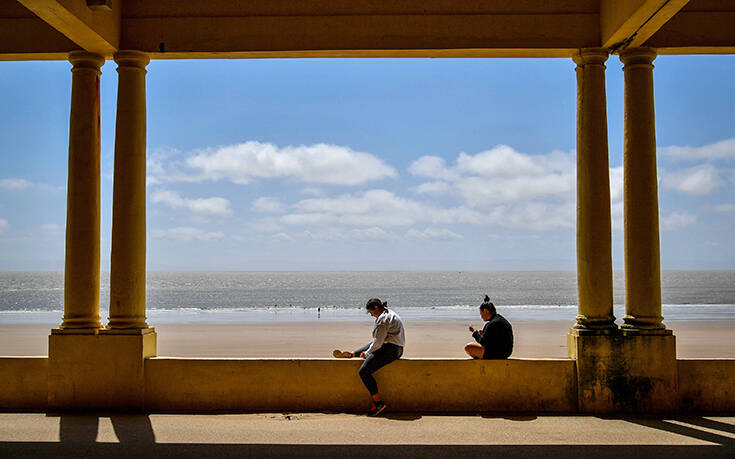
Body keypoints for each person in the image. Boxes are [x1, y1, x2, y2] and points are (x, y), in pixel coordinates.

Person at [332, 298, 405, 416]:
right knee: (370, 346)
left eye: (371, 312)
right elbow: (377, 342)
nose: (371, 315)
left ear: (376, 307)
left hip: (389, 350)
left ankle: (378, 403)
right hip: (397, 348)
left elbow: (378, 343)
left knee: (364, 372)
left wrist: (367, 353)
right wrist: (368, 350)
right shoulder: (390, 313)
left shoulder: (382, 320)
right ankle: (352, 354)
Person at [465, 295, 513, 359]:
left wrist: (474, 332)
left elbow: (482, 341)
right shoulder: (500, 319)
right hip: (506, 352)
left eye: (481, 313)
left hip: (498, 353)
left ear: (485, 311)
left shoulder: (492, 324)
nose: (481, 316)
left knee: (468, 347)